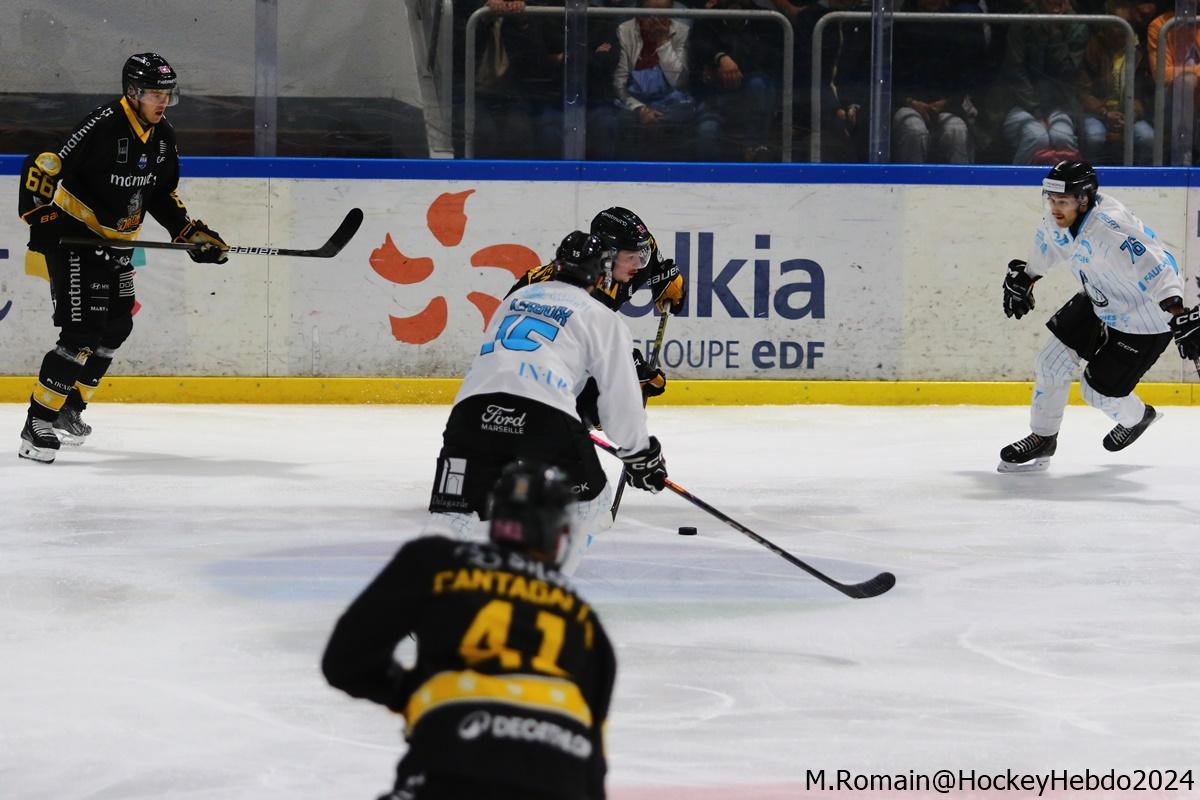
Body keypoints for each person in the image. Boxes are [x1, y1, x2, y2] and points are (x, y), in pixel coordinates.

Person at [323, 461, 617, 800]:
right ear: (560, 536)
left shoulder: (438, 562)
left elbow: (345, 661)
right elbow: (594, 773)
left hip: (454, 764)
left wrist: (414, 694)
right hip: (562, 778)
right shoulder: (586, 623)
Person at [16, 53, 228, 463]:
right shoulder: (103, 124)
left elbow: (160, 194)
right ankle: (37, 423)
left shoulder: (162, 135)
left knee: (116, 326)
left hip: (118, 246)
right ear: (132, 92)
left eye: (167, 93)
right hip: (77, 241)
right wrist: (41, 218)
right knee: (81, 333)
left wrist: (188, 233)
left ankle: (70, 409)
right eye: (154, 93)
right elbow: (43, 163)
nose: (162, 101)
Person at [428, 230, 669, 573]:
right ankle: (538, 591)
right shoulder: (601, 317)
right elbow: (620, 401)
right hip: (543, 414)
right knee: (592, 506)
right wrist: (640, 453)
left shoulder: (517, 298)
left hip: (470, 411)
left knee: (452, 513)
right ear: (601, 273)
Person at [998, 160, 1200, 472]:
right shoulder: (1059, 219)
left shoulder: (1111, 228)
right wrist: (1027, 277)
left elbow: (1159, 266)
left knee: (1095, 393)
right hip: (1099, 298)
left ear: (1084, 199)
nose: (1055, 208)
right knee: (1050, 363)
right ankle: (1043, 438)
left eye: (1062, 201)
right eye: (1051, 200)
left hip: (1144, 320)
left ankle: (1138, 417)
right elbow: (1049, 246)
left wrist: (1177, 314)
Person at [508, 207, 686, 427]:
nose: (639, 264)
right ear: (608, 256)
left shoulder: (636, 254)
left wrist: (664, 276)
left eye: (642, 255)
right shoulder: (578, 288)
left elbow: (651, 256)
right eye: (631, 256)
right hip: (530, 362)